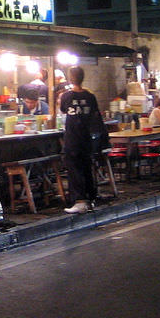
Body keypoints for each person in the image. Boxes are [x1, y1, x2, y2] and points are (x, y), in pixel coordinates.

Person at [59, 66, 107, 214]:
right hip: (87, 138)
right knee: (87, 167)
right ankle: (91, 198)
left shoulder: (66, 96)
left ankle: (79, 200)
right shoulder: (90, 97)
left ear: (70, 78)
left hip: (73, 137)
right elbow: (95, 114)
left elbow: (62, 110)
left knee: (74, 168)